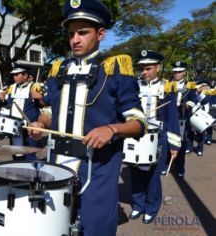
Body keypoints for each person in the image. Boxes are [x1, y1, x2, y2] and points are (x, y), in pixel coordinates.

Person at [28, 1, 147, 235]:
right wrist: (41, 123)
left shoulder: (114, 70)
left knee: (94, 228)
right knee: (55, 226)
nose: (75, 39)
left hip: (98, 168)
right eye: (71, 33)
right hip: (58, 164)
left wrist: (112, 129)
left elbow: (139, 123)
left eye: (83, 32)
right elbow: (53, 114)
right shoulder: (58, 71)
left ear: (100, 34)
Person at [128, 50, 180, 224]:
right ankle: (137, 205)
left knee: (153, 174)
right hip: (136, 134)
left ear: (157, 67)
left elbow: (172, 116)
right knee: (135, 172)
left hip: (159, 136)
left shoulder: (167, 87)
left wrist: (174, 146)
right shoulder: (134, 86)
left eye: (148, 68)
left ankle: (151, 207)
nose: (144, 72)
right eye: (142, 68)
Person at [0, 67, 41, 160]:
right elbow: (8, 105)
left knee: (29, 153)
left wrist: (40, 97)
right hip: (14, 126)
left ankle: (31, 172)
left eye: (17, 75)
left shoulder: (34, 86)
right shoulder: (11, 87)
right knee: (16, 152)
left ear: (25, 75)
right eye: (13, 75)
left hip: (29, 125)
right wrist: (2, 99)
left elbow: (42, 105)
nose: (14, 77)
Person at [171, 61, 198, 178]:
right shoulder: (168, 84)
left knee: (180, 144)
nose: (177, 73)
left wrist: (189, 104)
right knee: (167, 141)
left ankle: (180, 168)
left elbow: (195, 100)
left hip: (182, 116)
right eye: (175, 71)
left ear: (184, 72)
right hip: (169, 117)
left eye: (179, 71)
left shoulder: (190, 85)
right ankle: (166, 165)